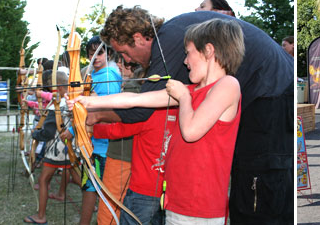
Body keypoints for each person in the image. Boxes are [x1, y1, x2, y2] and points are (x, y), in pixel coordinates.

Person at [84, 7, 294, 224]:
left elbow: (143, 112)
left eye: (125, 52)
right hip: (182, 204)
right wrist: (90, 103)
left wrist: (97, 115)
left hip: (272, 98)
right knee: (247, 191)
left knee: (258, 194)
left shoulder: (173, 48)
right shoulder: (194, 81)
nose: (128, 60)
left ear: (138, 38)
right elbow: (139, 100)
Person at [73, 18, 243, 224]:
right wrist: (89, 101)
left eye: (188, 53)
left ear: (208, 51)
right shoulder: (188, 91)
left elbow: (191, 131)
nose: (185, 61)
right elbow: (135, 100)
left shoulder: (227, 85)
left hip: (200, 208)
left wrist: (184, 97)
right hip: (175, 202)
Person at [63, 36, 122, 225]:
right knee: (89, 187)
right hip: (91, 143)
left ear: (109, 53)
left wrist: (73, 130)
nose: (95, 57)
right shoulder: (93, 76)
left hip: (102, 146)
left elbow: (105, 110)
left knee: (100, 189)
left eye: (100, 52)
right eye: (91, 54)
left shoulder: (108, 76)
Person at [24, 72, 80, 225]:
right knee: (78, 178)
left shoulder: (56, 106)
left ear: (59, 87)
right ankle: (93, 202)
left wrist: (36, 134)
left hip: (56, 151)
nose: (51, 91)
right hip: (71, 150)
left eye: (53, 87)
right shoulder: (74, 102)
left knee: (43, 180)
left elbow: (48, 133)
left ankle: (41, 216)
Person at [96, 55, 141, 225]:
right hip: (133, 155)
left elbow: (126, 120)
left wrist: (95, 121)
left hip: (123, 155)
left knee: (111, 206)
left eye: (123, 60)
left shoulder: (134, 85)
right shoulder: (133, 84)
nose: (119, 65)